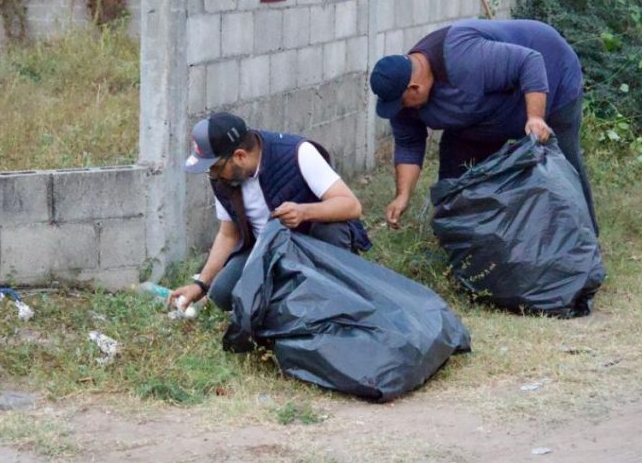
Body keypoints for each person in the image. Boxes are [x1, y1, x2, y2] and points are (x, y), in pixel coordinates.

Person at [369, 18, 598, 235]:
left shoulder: (463, 58)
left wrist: (536, 118)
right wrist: (402, 196)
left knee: (560, 166)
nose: (401, 109)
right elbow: (409, 145)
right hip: (483, 115)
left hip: (552, 76)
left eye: (402, 103)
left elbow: (530, 61)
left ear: (415, 88)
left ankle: (583, 238)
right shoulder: (402, 94)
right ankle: (467, 244)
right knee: (455, 184)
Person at [168, 112, 370, 313]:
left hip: (312, 244)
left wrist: (304, 211)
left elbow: (351, 205)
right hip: (267, 249)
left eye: (215, 167)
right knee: (222, 293)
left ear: (240, 156)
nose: (213, 175)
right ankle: (288, 295)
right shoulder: (223, 180)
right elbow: (228, 235)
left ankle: (334, 295)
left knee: (333, 229)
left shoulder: (298, 153)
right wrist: (201, 285)